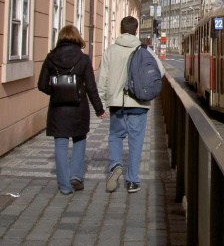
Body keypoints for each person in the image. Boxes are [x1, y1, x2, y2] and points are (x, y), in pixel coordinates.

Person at [97, 16, 164, 194]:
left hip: (116, 104)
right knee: (136, 141)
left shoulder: (110, 51)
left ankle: (116, 164)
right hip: (138, 103)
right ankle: (132, 180)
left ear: (120, 29)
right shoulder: (145, 50)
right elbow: (160, 71)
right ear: (136, 31)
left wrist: (102, 102)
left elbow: (102, 79)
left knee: (115, 136)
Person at [38, 25, 107, 195]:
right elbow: (91, 88)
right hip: (78, 107)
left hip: (58, 109)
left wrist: (57, 92)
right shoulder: (83, 59)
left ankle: (64, 186)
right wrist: (99, 109)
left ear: (60, 38)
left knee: (60, 144)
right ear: (77, 38)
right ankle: (76, 175)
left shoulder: (50, 58)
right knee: (79, 140)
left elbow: (41, 85)